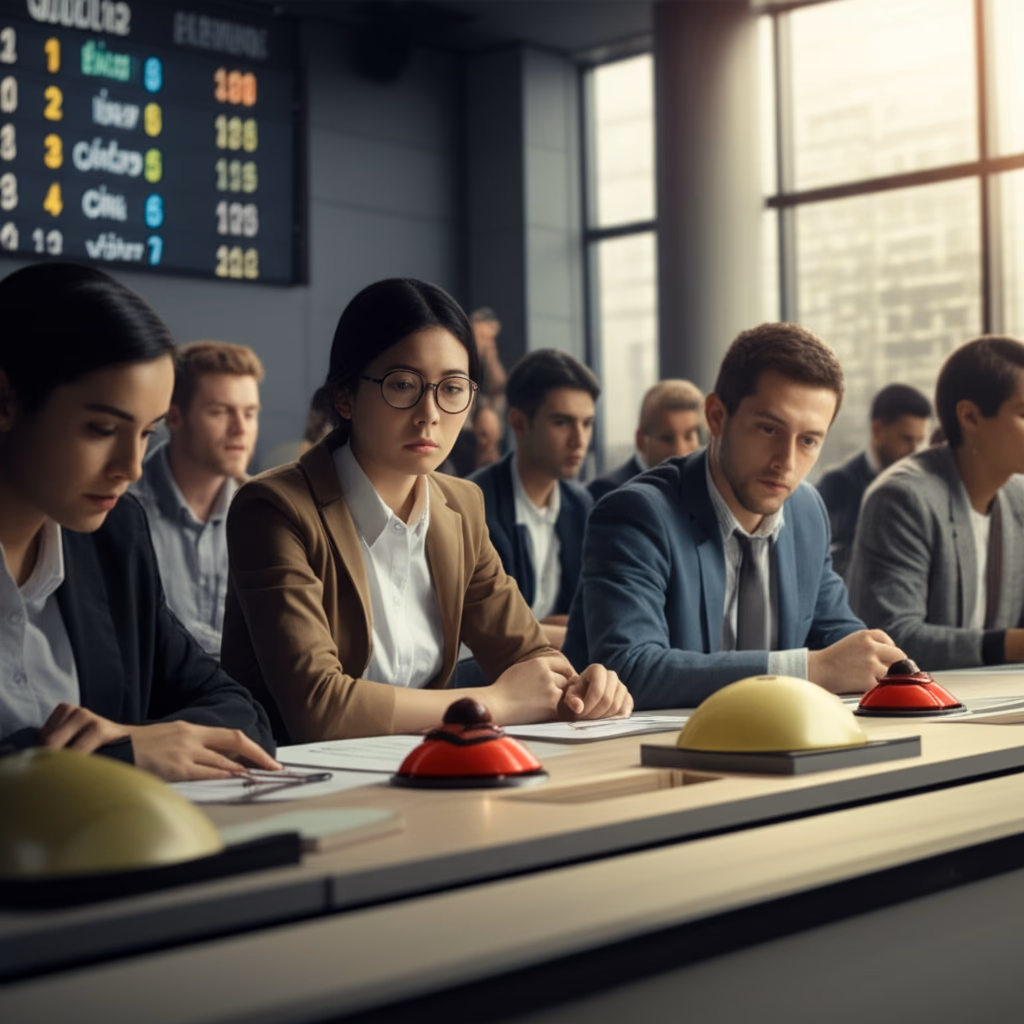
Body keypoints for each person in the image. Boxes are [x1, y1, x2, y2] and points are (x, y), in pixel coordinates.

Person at [221, 279, 630, 742]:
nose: (430, 413)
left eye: (452, 388)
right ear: (345, 396)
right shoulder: (274, 508)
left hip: (426, 775)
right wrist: (495, 703)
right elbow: (319, 708)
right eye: (402, 384)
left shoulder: (461, 506)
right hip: (298, 784)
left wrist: (584, 689)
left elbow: (528, 658)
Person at [0, 263, 277, 778]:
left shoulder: (114, 537)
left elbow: (240, 713)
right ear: (5, 402)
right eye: (103, 429)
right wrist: (121, 755)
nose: (130, 468)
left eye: (148, 433)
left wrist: (143, 737)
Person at [564, 322, 905, 709]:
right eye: (769, 429)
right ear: (716, 417)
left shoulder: (807, 512)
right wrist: (809, 670)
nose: (787, 463)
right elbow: (630, 669)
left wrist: (882, 665)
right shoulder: (636, 514)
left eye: (809, 440)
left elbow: (838, 637)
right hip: (634, 755)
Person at [848, 337, 1024, 671]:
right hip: (915, 708)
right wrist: (1012, 644)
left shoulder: (1019, 498)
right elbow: (894, 638)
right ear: (970, 417)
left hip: (995, 698)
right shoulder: (904, 497)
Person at [131, 341, 263, 656]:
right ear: (173, 417)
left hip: (243, 704)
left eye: (250, 413)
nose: (240, 429)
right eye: (220, 412)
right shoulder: (120, 511)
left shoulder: (266, 516)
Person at [470, 350, 600, 651]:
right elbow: (485, 627)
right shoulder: (474, 504)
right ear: (519, 422)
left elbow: (594, 614)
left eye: (587, 423)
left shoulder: (582, 505)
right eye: (562, 422)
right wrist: (560, 631)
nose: (579, 439)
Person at [816, 383, 931, 580]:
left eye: (919, 441)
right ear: (877, 431)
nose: (914, 451)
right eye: (906, 439)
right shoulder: (837, 485)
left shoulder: (923, 485)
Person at [589, 379, 705, 501]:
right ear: (641, 441)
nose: (681, 451)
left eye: (689, 436)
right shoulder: (611, 492)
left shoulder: (701, 486)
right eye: (667, 439)